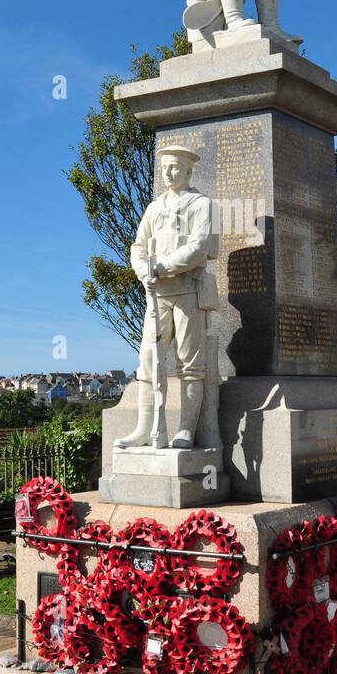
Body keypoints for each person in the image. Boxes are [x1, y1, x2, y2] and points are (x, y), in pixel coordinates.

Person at [116, 146, 218, 450]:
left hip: (188, 290)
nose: (168, 172)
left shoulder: (202, 205)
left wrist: (160, 266)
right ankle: (145, 428)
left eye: (174, 167)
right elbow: (139, 245)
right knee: (148, 360)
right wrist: (141, 269)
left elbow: (200, 247)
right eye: (164, 167)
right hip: (156, 293)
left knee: (190, 364)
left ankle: (186, 430)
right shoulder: (154, 208)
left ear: (188, 171)